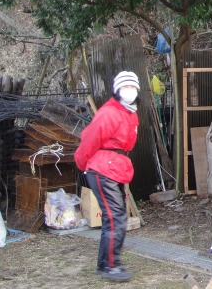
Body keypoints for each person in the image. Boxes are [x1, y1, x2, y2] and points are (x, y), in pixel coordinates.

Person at [74, 71, 140, 282]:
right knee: (115, 217)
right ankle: (110, 266)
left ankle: (108, 263)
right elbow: (89, 140)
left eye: (132, 87)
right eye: (125, 87)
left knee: (116, 217)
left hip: (113, 167)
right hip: (103, 167)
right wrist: (85, 164)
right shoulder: (109, 113)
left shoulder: (131, 113)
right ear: (117, 90)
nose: (129, 91)